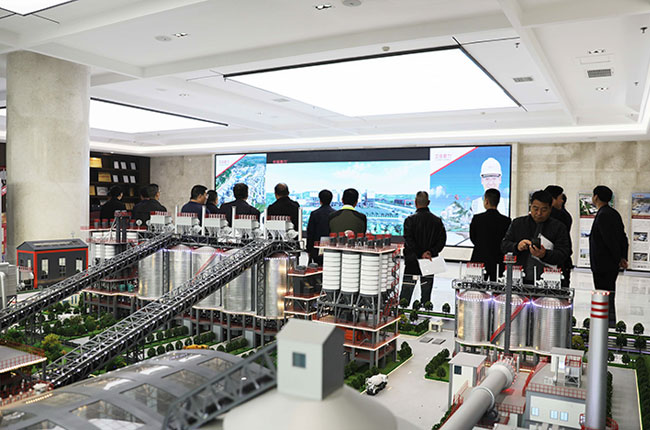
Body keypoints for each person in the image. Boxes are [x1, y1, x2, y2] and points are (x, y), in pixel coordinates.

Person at [501, 190, 572, 285]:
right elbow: (504, 245)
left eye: (544, 210)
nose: (539, 213)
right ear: (530, 206)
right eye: (535, 208)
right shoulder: (518, 223)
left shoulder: (559, 227)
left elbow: (564, 253)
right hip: (519, 279)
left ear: (550, 209)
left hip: (548, 280)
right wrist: (517, 246)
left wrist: (545, 254)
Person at [589, 185, 629, 327]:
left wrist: (618, 258)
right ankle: (607, 322)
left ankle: (605, 324)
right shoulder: (613, 213)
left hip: (603, 264)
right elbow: (623, 237)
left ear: (596, 197)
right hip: (609, 263)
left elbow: (610, 240)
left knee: (604, 295)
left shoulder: (603, 215)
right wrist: (623, 256)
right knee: (608, 294)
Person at [401, 191, 447, 305]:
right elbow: (442, 241)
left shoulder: (409, 220)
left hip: (412, 261)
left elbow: (409, 240)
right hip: (429, 261)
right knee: (426, 293)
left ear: (415, 202)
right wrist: (430, 252)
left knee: (406, 292)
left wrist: (420, 253)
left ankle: (402, 313)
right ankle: (425, 311)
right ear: (429, 202)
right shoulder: (437, 221)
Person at [469, 188, 511, 281]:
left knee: (477, 287)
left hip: (479, 258)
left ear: (486, 201)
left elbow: (473, 237)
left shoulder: (477, 219)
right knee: (497, 287)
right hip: (498, 259)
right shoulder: (506, 221)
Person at [545, 185, 573, 288]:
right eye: (560, 198)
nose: (562, 201)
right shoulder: (562, 215)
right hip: (559, 258)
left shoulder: (560, 215)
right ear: (553, 199)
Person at [306, 190, 335, 265]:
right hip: (332, 248)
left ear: (320, 200)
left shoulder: (314, 214)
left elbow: (310, 233)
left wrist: (309, 250)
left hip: (316, 248)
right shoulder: (335, 214)